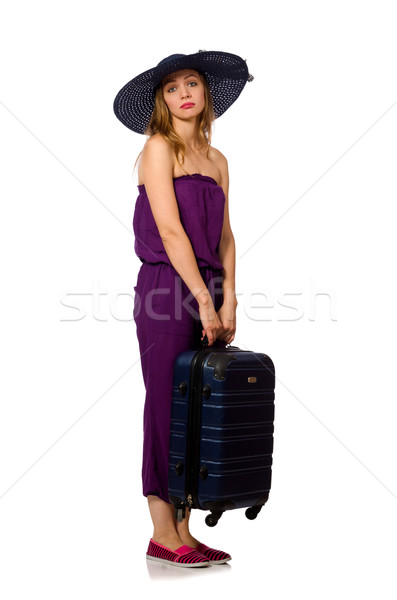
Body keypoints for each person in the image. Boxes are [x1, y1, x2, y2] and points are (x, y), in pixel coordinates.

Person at [113, 50, 254, 568]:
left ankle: (186, 531)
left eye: (191, 83)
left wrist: (229, 295)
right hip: (166, 288)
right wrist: (200, 297)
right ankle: (160, 530)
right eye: (171, 89)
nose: (183, 94)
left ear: (205, 91)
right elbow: (171, 232)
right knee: (166, 405)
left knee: (199, 404)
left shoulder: (217, 160)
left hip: (209, 289)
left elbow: (226, 236)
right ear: (161, 100)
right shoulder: (157, 148)